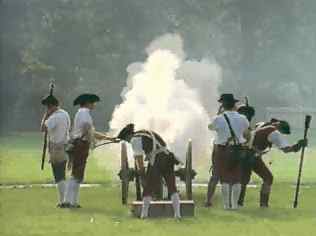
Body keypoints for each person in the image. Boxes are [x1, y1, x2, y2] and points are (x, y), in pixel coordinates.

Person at [117, 123, 182, 219]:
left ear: (128, 136)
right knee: (172, 186)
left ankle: (144, 215)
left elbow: (139, 160)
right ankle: (177, 214)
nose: (128, 142)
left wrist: (142, 174)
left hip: (157, 160)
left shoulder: (135, 140)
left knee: (148, 188)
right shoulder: (145, 133)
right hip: (168, 157)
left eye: (127, 140)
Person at [238, 119, 308, 207]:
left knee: (253, 179)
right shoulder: (274, 132)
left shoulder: (262, 125)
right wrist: (298, 145)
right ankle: (254, 204)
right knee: (248, 180)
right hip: (250, 156)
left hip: (247, 154)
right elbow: (286, 149)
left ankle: (245, 203)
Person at [64, 94, 113, 208]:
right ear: (87, 103)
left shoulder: (81, 113)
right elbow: (87, 129)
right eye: (92, 103)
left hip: (79, 144)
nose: (94, 105)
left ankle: (68, 200)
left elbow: (91, 131)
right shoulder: (84, 113)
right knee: (77, 174)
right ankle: (72, 202)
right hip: (81, 144)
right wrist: (93, 142)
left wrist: (108, 138)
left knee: (76, 174)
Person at [205, 102, 255, 207]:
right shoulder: (242, 119)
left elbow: (210, 127)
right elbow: (248, 135)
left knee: (217, 176)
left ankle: (213, 202)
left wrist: (218, 115)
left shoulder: (220, 118)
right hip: (238, 149)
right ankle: (235, 204)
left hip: (222, 149)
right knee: (236, 177)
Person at [41, 94, 71, 208]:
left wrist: (46, 116)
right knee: (61, 174)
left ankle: (63, 201)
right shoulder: (65, 114)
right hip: (64, 146)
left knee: (58, 175)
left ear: (51, 106)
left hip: (56, 147)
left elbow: (42, 128)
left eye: (47, 107)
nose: (47, 109)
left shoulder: (54, 117)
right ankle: (64, 199)